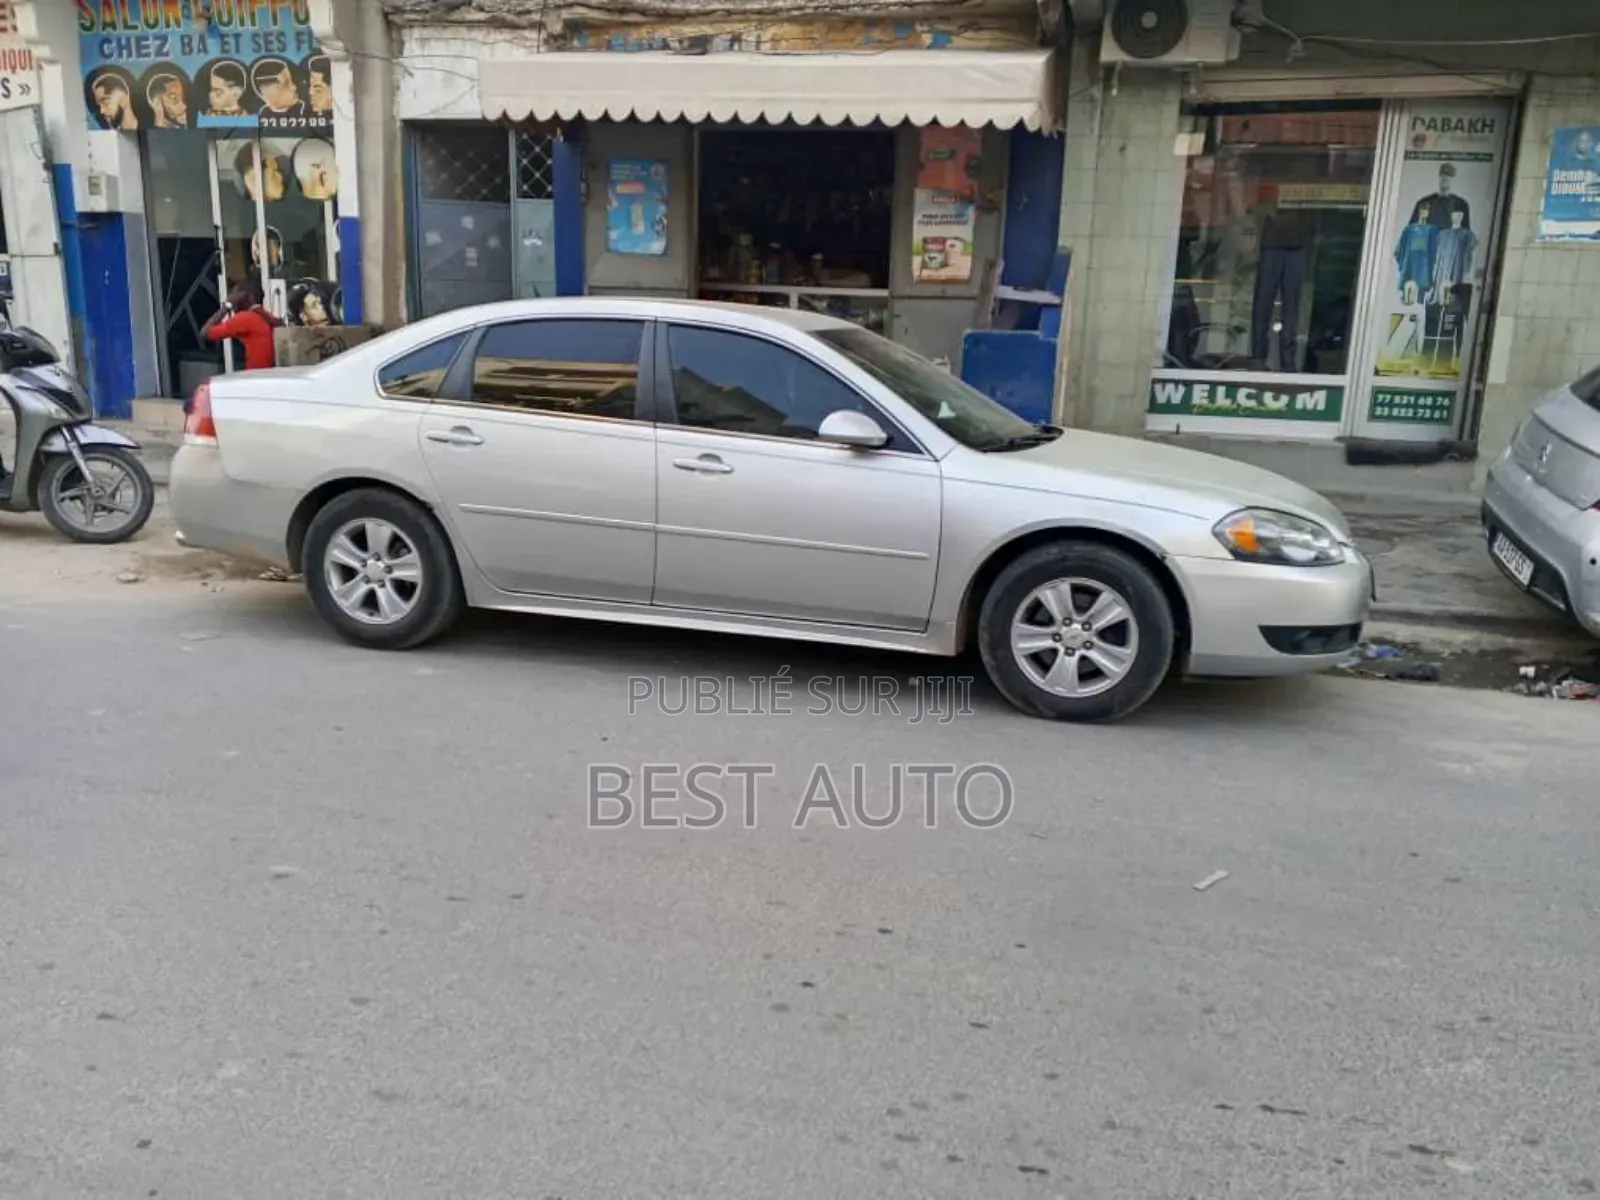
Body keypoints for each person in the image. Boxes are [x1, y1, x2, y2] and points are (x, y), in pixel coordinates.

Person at [201, 278, 281, 371]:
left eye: (235, 294)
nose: (231, 296)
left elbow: (205, 333)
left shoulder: (246, 318)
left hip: (255, 378)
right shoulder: (266, 316)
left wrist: (228, 305)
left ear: (245, 296)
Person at [1409, 161, 1471, 231]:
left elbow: (1466, 235)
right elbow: (1412, 231)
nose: (1445, 179)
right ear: (1439, 177)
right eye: (1443, 176)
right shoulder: (1424, 203)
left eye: (1449, 176)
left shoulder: (1461, 205)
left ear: (1454, 179)